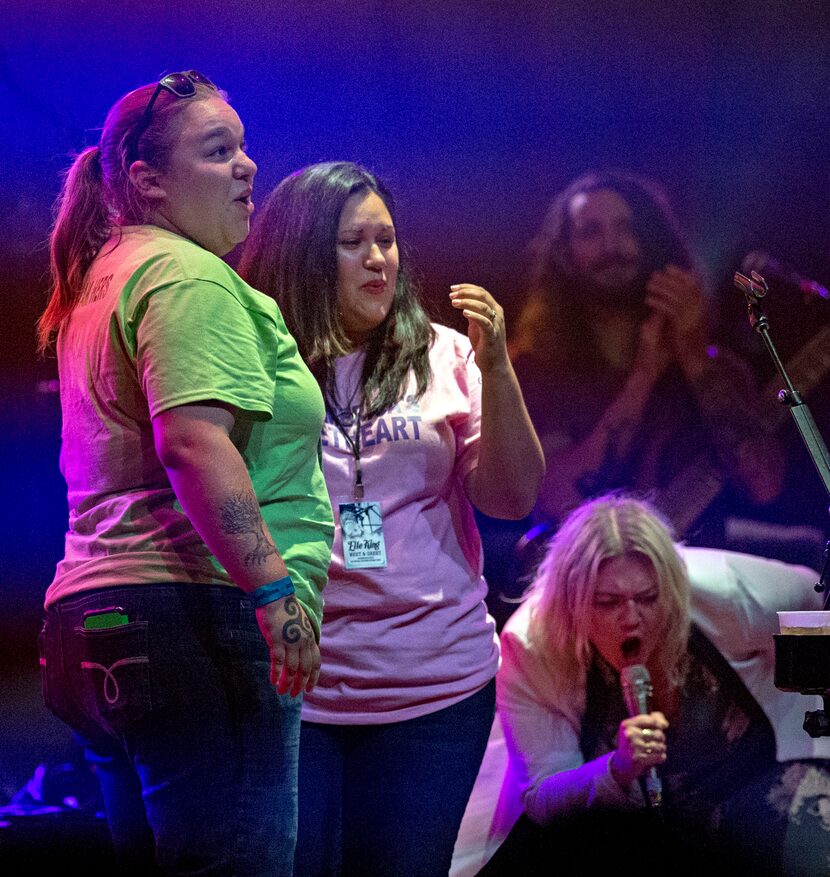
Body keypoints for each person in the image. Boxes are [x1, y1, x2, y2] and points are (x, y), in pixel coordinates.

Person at [36, 71, 333, 875]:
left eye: (242, 147)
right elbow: (194, 445)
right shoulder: (186, 275)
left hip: (95, 624)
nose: (248, 167)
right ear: (147, 180)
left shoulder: (106, 275)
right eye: (218, 151)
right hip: (190, 623)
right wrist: (275, 593)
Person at [239, 160, 544, 877]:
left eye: (387, 239)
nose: (379, 259)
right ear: (304, 252)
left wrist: (497, 367)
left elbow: (511, 498)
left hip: (433, 688)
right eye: (353, 243)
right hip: (296, 683)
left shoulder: (446, 352)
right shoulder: (257, 355)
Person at [483, 493, 830, 875]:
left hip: (757, 783)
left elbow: (812, 602)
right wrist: (615, 769)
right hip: (625, 824)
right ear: (573, 601)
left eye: (647, 598)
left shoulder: (727, 591)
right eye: (607, 602)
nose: (631, 618)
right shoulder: (532, 648)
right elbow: (543, 796)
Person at [506, 171, 784, 567]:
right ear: (565, 256)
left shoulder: (718, 368)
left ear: (653, 243)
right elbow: (554, 499)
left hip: (704, 580)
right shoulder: (533, 370)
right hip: (590, 582)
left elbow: (764, 485)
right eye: (590, 232)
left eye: (627, 229)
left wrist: (692, 357)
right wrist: (643, 377)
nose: (612, 246)